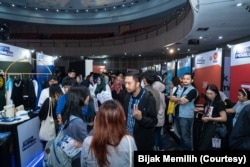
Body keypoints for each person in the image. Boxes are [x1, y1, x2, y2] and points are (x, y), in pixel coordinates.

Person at [81, 100, 137, 167]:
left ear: (98, 120)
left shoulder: (88, 142)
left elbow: (83, 165)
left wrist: (95, 128)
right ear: (121, 120)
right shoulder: (129, 141)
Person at [123, 71, 157, 151]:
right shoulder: (127, 96)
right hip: (128, 139)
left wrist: (141, 119)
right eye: (125, 83)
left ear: (138, 84)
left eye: (129, 83)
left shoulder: (148, 98)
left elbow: (153, 121)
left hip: (142, 142)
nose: (126, 86)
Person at [62, 85, 90, 167]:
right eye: (87, 95)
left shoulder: (70, 114)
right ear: (81, 98)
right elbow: (87, 141)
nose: (89, 96)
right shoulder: (78, 121)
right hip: (77, 157)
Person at [170, 73, 197, 151]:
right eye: (184, 79)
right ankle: (182, 148)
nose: (185, 80)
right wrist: (180, 99)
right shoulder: (180, 88)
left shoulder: (193, 90)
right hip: (177, 114)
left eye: (188, 79)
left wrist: (177, 100)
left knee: (186, 136)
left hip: (186, 116)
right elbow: (172, 98)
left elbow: (183, 102)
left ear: (192, 80)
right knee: (180, 134)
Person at [198, 84, 227, 150]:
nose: (209, 95)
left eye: (211, 93)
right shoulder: (208, 102)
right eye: (207, 93)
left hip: (215, 128)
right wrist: (203, 117)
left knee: (212, 147)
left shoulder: (219, 103)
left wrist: (209, 119)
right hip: (206, 127)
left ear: (216, 93)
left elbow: (224, 118)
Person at [152, 80, 166, 151]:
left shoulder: (155, 94)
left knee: (155, 134)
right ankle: (161, 147)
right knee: (159, 133)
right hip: (162, 117)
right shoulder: (162, 94)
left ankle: (156, 147)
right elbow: (164, 106)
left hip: (156, 117)